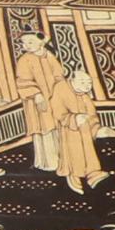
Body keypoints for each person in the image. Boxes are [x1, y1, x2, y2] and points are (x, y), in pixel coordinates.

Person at [11, 29, 73, 175]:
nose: (27, 45)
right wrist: (37, 94)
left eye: (30, 41)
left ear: (41, 41)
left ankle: (64, 161)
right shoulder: (24, 60)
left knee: (58, 126)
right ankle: (47, 162)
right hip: (37, 101)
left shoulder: (49, 56)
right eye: (24, 43)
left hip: (54, 98)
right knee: (44, 129)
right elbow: (23, 81)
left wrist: (62, 93)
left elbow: (59, 75)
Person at [46, 54, 107, 192]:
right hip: (69, 128)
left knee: (89, 151)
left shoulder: (84, 96)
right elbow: (57, 110)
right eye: (83, 82)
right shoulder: (61, 88)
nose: (87, 86)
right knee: (73, 151)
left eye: (89, 83)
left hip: (85, 128)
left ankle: (92, 173)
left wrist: (96, 128)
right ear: (72, 80)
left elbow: (92, 115)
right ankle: (74, 175)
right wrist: (72, 118)